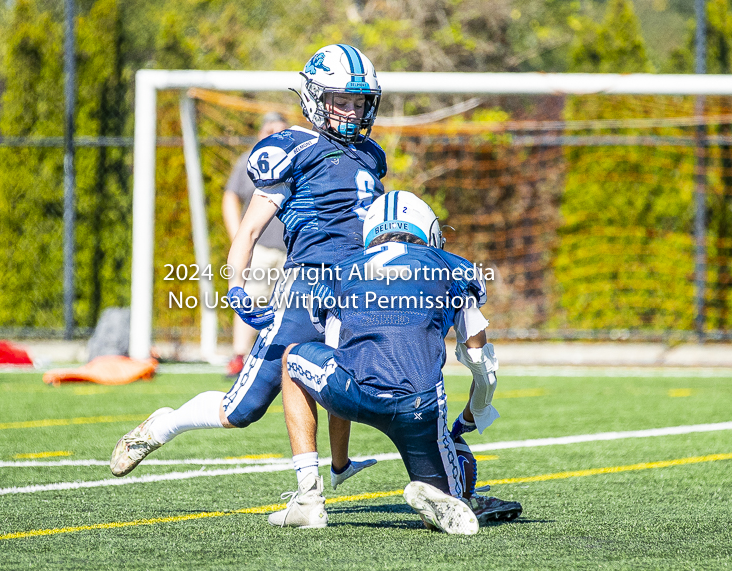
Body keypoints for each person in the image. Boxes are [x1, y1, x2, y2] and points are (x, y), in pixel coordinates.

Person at [111, 45, 386, 486]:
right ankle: (163, 425)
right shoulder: (294, 149)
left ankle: (339, 465)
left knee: (345, 378)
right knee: (242, 410)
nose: (352, 112)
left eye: (359, 102)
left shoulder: (372, 156)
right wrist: (237, 286)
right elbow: (248, 233)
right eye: (342, 101)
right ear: (315, 98)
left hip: (354, 289)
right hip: (305, 291)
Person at [267, 191, 522, 533]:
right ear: (428, 232)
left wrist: (340, 463)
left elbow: (335, 364)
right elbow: (483, 368)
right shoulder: (452, 267)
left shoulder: (340, 272)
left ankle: (308, 499)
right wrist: (469, 419)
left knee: (291, 358)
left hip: (352, 390)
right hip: (419, 406)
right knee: (455, 482)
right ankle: (447, 494)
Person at [222, 112, 289, 378]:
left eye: (280, 130)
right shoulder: (250, 160)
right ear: (260, 133)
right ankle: (240, 356)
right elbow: (230, 197)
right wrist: (238, 238)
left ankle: (282, 358)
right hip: (258, 248)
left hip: (291, 250)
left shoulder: (295, 160)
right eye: (269, 130)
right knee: (247, 299)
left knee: (289, 308)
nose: (274, 135)